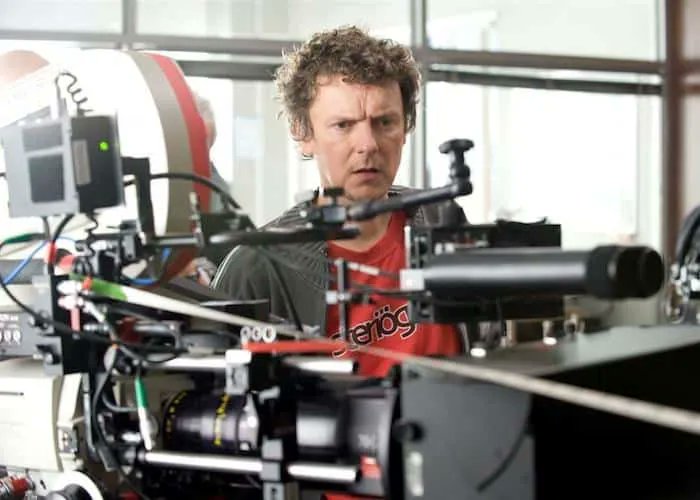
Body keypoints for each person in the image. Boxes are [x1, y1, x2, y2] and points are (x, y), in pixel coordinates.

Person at [212, 25, 466, 377]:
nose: (368, 144)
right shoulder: (258, 268)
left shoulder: (441, 221)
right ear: (303, 133)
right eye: (344, 125)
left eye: (385, 122)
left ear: (405, 127)